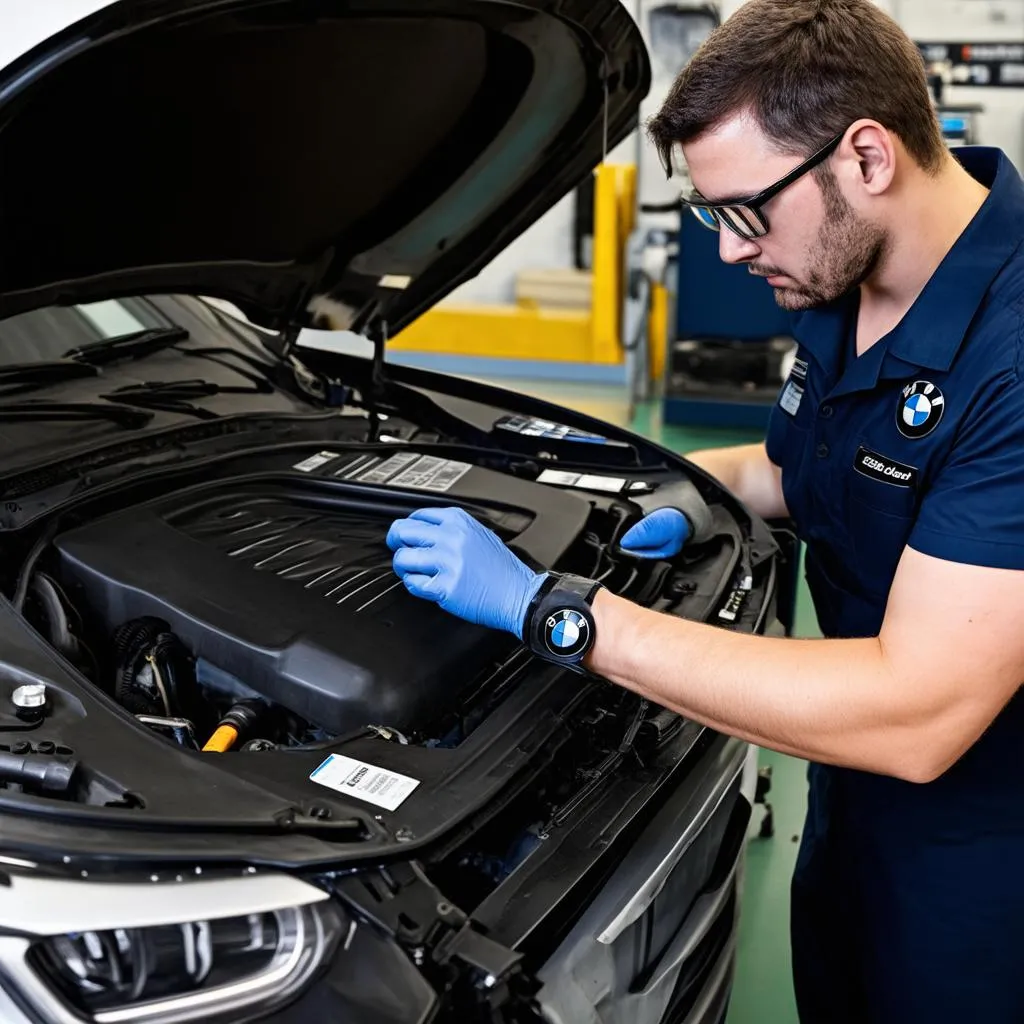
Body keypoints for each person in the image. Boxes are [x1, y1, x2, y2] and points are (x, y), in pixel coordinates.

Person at [386, 0, 1024, 1020]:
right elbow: (799, 467)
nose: (729, 253)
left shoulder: (1013, 355)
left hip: (983, 869)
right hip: (850, 808)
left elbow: (919, 712)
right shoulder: (844, 274)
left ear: (866, 158)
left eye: (744, 212)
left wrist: (563, 611)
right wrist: (660, 485)